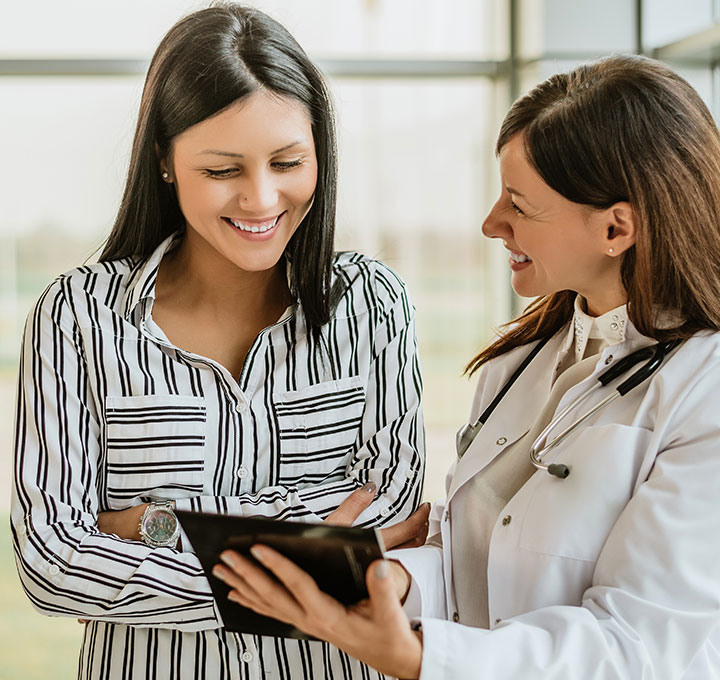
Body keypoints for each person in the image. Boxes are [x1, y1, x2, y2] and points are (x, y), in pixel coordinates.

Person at [212, 54, 720, 679]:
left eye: (520, 205)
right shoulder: (516, 363)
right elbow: (464, 560)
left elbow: (636, 644)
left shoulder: (704, 388)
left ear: (616, 228)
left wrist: (422, 656)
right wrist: (391, 583)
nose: (490, 223)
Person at [10, 4, 429, 680]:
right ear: (165, 161)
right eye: (223, 171)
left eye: (288, 161)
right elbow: (52, 561)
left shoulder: (373, 305)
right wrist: (319, 555)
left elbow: (398, 512)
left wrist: (149, 525)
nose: (262, 200)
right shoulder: (77, 315)